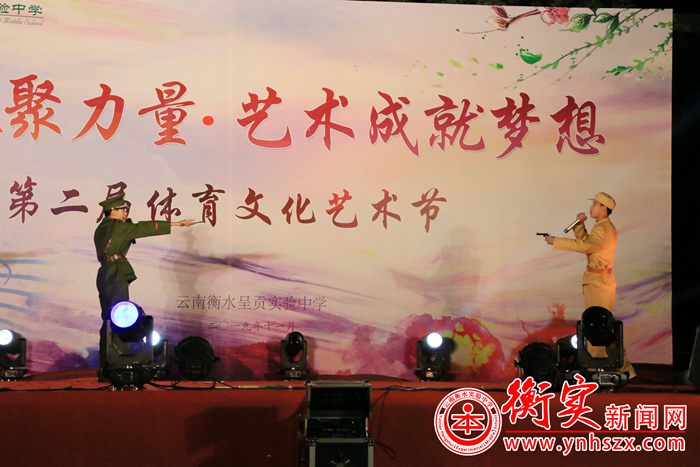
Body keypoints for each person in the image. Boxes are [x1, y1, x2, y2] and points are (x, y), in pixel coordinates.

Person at [95, 193, 194, 367]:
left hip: (104, 273)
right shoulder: (119, 227)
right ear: (113, 211)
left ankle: (107, 360)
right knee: (119, 317)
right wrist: (178, 223)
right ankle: (116, 361)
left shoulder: (102, 228)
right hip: (115, 272)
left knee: (108, 318)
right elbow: (145, 228)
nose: (125, 212)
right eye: (123, 210)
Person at [543, 192, 635, 378]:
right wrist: (579, 225)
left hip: (599, 282)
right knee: (600, 326)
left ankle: (598, 371)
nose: (591, 207)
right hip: (597, 281)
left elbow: (586, 247)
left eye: (595, 204)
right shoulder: (601, 227)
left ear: (603, 208)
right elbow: (588, 244)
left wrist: (557, 241)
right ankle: (621, 369)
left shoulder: (604, 229)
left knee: (597, 326)